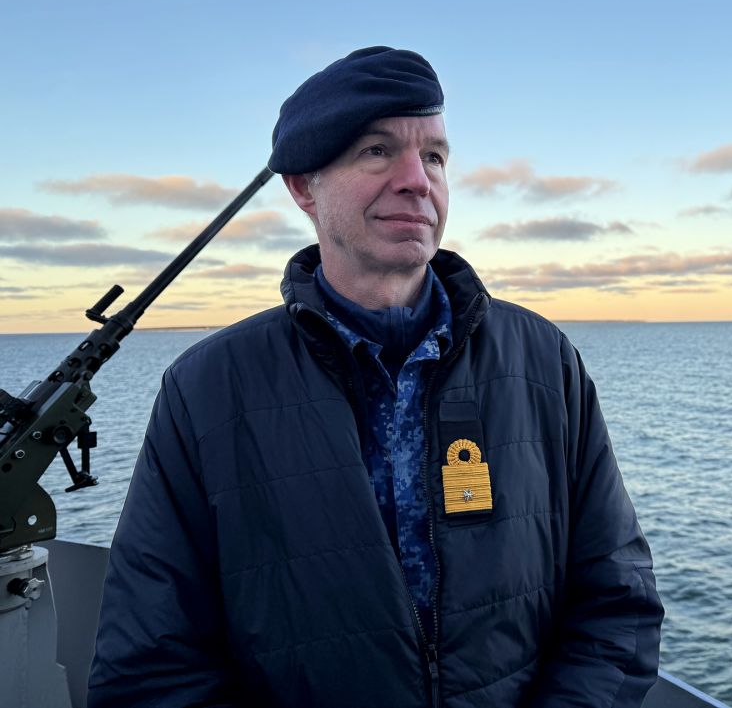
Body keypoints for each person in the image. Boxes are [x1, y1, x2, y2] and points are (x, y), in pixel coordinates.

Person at [88, 47, 664, 707]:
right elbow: (151, 667)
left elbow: (616, 600)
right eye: (377, 151)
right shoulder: (207, 391)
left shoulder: (544, 362)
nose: (418, 179)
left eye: (436, 156)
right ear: (304, 186)